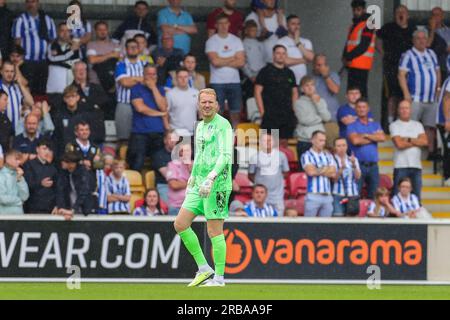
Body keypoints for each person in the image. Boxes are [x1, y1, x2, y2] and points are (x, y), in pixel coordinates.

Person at [174, 88, 233, 287]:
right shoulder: (199, 126)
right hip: (199, 182)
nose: (207, 105)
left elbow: (225, 155)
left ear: (216, 104)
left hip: (217, 184)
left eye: (210, 102)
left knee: (214, 231)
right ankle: (204, 269)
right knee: (180, 224)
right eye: (203, 102)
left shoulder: (223, 125)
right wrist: (193, 176)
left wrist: (211, 177)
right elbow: (200, 154)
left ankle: (219, 278)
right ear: (199, 104)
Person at [399, 29, 441, 160]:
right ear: (413, 40)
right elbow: (401, 75)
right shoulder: (408, 55)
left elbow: (437, 72)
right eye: (418, 38)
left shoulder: (432, 54)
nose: (422, 40)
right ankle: (410, 153)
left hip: (431, 99)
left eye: (424, 38)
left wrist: (438, 89)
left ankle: (428, 154)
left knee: (430, 128)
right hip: (415, 98)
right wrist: (406, 94)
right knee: (411, 126)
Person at [377, 5, 416, 129]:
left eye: (403, 12)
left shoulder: (412, 29)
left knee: (405, 95)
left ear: (407, 15)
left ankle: (403, 122)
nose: (400, 14)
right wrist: (382, 52)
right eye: (398, 12)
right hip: (391, 67)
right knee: (392, 95)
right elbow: (376, 38)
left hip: (408, 69)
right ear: (394, 15)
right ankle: (390, 123)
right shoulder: (388, 27)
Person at [205, 13, 245, 128]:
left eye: (225, 23)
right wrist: (233, 57)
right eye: (220, 23)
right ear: (216, 25)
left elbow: (241, 62)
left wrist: (221, 59)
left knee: (236, 111)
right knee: (217, 111)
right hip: (217, 82)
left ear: (229, 24)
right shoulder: (211, 41)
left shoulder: (236, 40)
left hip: (234, 81)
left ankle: (234, 136)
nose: (223, 26)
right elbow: (215, 62)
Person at [127, 64, 167, 171]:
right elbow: (140, 108)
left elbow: (163, 107)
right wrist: (159, 114)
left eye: (154, 74)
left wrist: (153, 88)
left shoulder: (160, 89)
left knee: (158, 165)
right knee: (137, 163)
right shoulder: (136, 89)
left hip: (158, 133)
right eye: (149, 74)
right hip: (140, 133)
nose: (152, 76)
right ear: (143, 74)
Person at [12, 0, 56, 95]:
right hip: (27, 62)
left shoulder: (48, 20)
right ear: (25, 4)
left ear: (38, 3)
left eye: (33, 1)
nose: (30, 4)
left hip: (43, 62)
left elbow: (52, 39)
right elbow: (17, 41)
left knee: (41, 90)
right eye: (28, 2)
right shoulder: (21, 20)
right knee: (27, 89)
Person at [255, 45, 298, 141]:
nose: (281, 55)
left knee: (285, 146)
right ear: (273, 55)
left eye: (283, 53)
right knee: (269, 146)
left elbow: (294, 92)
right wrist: (262, 112)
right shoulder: (265, 71)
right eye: (278, 53)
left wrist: (294, 110)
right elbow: (257, 92)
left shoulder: (290, 73)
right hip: (270, 115)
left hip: (287, 116)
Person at [347, 98, 386, 200]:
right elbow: (356, 141)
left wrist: (365, 135)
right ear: (355, 109)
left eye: (364, 107)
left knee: (374, 197)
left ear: (368, 109)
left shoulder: (375, 124)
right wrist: (374, 138)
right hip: (358, 165)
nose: (361, 109)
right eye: (359, 107)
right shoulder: (351, 125)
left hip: (373, 166)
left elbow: (382, 138)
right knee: (355, 195)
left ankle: (372, 215)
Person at [390, 100, 428, 200]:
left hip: (416, 166)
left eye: (406, 108)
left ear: (410, 110)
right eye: (402, 108)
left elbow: (424, 142)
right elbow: (399, 144)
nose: (404, 110)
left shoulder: (418, 125)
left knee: (416, 196)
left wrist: (408, 139)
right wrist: (416, 141)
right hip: (400, 165)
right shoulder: (394, 125)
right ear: (398, 110)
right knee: (397, 196)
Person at [294, 76, 331, 168]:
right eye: (307, 85)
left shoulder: (320, 100)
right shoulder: (298, 103)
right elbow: (304, 120)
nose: (310, 87)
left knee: (321, 167)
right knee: (305, 170)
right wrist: (320, 118)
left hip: (319, 141)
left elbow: (327, 118)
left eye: (312, 85)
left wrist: (317, 103)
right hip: (305, 141)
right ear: (302, 89)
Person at [52, 85, 99, 158]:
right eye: (68, 97)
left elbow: (90, 134)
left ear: (78, 97)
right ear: (64, 99)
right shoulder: (59, 115)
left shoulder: (85, 115)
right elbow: (57, 136)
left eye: (73, 96)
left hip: (82, 152)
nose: (71, 99)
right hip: (64, 154)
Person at [248, 132, 289, 215]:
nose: (267, 142)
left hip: (277, 197)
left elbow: (286, 173)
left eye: (269, 140)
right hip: (261, 197)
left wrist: (275, 180)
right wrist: (261, 183)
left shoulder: (281, 156)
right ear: (260, 143)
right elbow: (250, 175)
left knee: (278, 224)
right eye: (264, 140)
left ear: (274, 142)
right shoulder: (254, 157)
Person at [342, 0, 376, 98]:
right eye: (354, 10)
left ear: (364, 10)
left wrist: (348, 56)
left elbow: (364, 45)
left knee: (359, 95)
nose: (356, 12)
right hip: (352, 63)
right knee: (352, 94)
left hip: (361, 64)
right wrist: (344, 56)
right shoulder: (354, 25)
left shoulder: (368, 24)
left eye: (359, 9)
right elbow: (349, 43)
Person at [114, 39, 145, 141]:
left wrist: (131, 78)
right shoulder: (120, 64)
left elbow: (149, 81)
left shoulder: (145, 64)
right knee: (123, 138)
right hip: (124, 104)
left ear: (139, 49)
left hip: (143, 104)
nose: (132, 49)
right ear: (126, 49)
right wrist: (140, 79)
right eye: (130, 47)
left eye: (135, 47)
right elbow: (125, 83)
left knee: (142, 136)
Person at [301, 131, 336, 218]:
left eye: (324, 141)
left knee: (325, 227)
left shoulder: (328, 155)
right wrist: (325, 168)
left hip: (327, 195)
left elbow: (333, 173)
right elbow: (310, 172)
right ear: (312, 140)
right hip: (313, 195)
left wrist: (317, 169)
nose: (323, 143)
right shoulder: (306, 155)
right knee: (308, 226)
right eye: (320, 140)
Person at [46, 22, 81, 107]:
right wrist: (70, 52)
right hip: (55, 87)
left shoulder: (74, 46)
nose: (65, 33)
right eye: (62, 30)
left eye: (67, 31)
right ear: (58, 32)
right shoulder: (52, 45)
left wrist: (61, 60)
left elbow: (75, 63)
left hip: (70, 87)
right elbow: (52, 59)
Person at [55, 151, 96, 218]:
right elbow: (60, 191)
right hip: (69, 208)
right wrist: (60, 208)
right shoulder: (63, 174)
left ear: (72, 164)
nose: (62, 163)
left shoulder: (83, 173)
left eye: (65, 161)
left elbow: (83, 192)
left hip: (84, 210)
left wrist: (73, 210)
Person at [276, 15, 314, 85]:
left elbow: (311, 58)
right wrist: (303, 60)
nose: (296, 27)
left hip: (303, 83)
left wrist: (297, 42)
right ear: (287, 26)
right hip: (287, 81)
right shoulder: (281, 42)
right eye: (293, 24)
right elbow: (285, 61)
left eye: (298, 24)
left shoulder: (306, 41)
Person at [23, 139, 57, 214]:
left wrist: (56, 205)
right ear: (37, 149)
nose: (47, 151)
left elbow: (57, 188)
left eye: (48, 149)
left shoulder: (52, 168)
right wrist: (40, 183)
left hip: (50, 208)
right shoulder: (29, 165)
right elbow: (27, 184)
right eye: (44, 148)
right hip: (33, 207)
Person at [0, 60, 34, 132]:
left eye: (12, 71)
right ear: (1, 72)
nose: (9, 74)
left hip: (17, 131)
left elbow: (30, 102)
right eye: (7, 71)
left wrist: (20, 84)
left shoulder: (17, 88)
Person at [86, 21, 121, 90]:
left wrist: (100, 57)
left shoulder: (115, 45)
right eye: (100, 30)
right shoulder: (91, 44)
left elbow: (120, 58)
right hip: (96, 83)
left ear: (108, 31)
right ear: (95, 31)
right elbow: (92, 60)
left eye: (104, 29)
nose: (102, 32)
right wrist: (111, 54)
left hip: (113, 83)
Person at [332, 137, 361, 217]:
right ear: (335, 147)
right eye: (339, 146)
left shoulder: (353, 159)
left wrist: (354, 165)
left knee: (352, 220)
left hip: (352, 194)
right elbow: (333, 179)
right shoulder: (331, 159)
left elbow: (358, 177)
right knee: (338, 218)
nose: (342, 148)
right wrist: (341, 168)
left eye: (343, 145)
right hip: (338, 194)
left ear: (347, 146)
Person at [167, 68, 199, 136]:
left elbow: (201, 113)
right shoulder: (169, 94)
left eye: (185, 77)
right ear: (176, 78)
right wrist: (168, 131)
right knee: (177, 147)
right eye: (180, 77)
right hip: (176, 132)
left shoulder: (196, 93)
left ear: (189, 78)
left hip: (193, 132)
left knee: (193, 147)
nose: (183, 79)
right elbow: (166, 113)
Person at [152, 129, 180, 204]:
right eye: (170, 138)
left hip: (180, 185)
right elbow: (168, 175)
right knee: (171, 207)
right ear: (165, 140)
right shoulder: (159, 155)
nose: (173, 141)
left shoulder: (181, 154)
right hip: (164, 185)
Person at [313, 54, 341, 123]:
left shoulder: (333, 75)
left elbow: (335, 90)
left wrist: (325, 76)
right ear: (313, 65)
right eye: (319, 65)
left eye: (324, 65)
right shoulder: (309, 78)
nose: (322, 68)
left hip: (332, 115)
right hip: (316, 117)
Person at [0, 149, 29, 215]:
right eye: (16, 159)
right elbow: (2, 198)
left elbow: (25, 196)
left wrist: (19, 179)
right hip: (3, 217)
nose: (19, 162)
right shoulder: (1, 175)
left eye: (20, 159)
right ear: (7, 159)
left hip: (19, 216)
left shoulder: (19, 174)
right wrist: (19, 201)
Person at [167, 143, 192, 216]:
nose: (185, 153)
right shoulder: (172, 165)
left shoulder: (195, 166)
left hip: (192, 207)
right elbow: (174, 185)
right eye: (182, 151)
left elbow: (200, 184)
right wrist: (190, 182)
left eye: (188, 151)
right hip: (176, 207)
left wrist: (190, 171)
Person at [437, 75, 450, 185]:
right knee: (448, 149)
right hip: (445, 121)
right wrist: (447, 120)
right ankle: (447, 176)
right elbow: (447, 99)